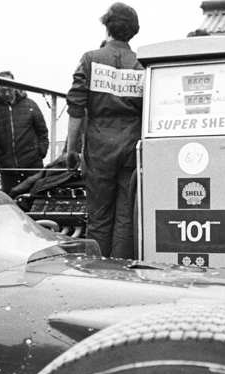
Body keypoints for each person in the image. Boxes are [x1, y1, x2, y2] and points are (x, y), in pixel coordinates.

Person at [65, 2, 143, 259]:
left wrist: (71, 149)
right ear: (133, 31)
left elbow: (76, 107)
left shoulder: (90, 59)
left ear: (107, 26)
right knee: (125, 218)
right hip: (132, 144)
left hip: (99, 146)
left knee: (99, 218)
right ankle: (121, 273)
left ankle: (98, 273)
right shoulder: (142, 64)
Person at [0, 70, 49, 193]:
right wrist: (0, 157)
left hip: (32, 164)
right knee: (9, 200)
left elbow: (42, 131)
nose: (7, 93)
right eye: (3, 91)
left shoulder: (30, 104)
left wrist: (40, 152)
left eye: (9, 89)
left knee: (34, 198)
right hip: (7, 167)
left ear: (15, 87)